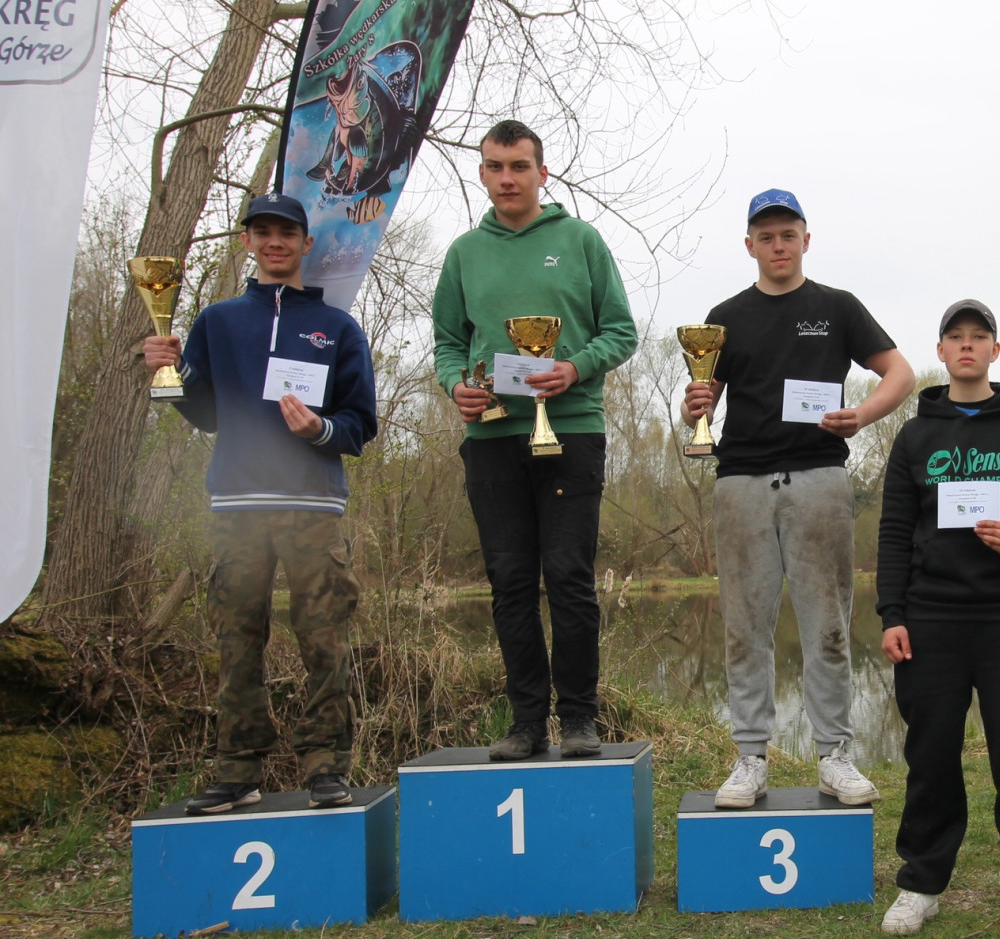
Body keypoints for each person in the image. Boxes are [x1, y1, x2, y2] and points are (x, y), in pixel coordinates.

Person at [142, 193, 378, 814]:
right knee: (236, 640)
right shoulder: (217, 322)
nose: (275, 242)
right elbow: (204, 413)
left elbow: (360, 423)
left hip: (313, 507)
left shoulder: (338, 328)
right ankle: (237, 770)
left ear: (305, 243)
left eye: (287, 232)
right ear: (247, 241)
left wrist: (319, 430)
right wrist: (168, 373)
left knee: (324, 639)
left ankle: (326, 767)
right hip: (236, 506)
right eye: (263, 231)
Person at [681, 188, 914, 807]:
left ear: (806, 240)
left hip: (819, 481)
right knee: (744, 628)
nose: (778, 246)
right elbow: (702, 402)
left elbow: (901, 374)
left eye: (788, 235)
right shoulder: (725, 315)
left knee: (828, 627)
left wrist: (861, 415)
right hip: (740, 483)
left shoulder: (837, 306)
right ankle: (749, 759)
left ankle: (834, 756)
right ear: (750, 245)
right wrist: (693, 406)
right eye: (766, 237)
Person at [432, 119, 638, 760]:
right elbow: (447, 344)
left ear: (541, 173)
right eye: (495, 167)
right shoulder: (464, 253)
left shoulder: (580, 240)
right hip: (492, 435)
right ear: (483, 174)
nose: (507, 178)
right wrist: (455, 386)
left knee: (569, 577)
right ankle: (527, 724)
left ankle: (579, 718)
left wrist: (573, 367)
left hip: (571, 429)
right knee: (509, 582)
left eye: (519, 166)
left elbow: (621, 331)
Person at [875, 299, 1000, 939]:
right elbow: (894, 533)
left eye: (978, 336)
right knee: (930, 756)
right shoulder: (915, 436)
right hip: (932, 618)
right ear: (940, 352)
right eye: (955, 337)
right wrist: (892, 613)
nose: (966, 346)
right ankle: (922, 883)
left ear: (994, 350)